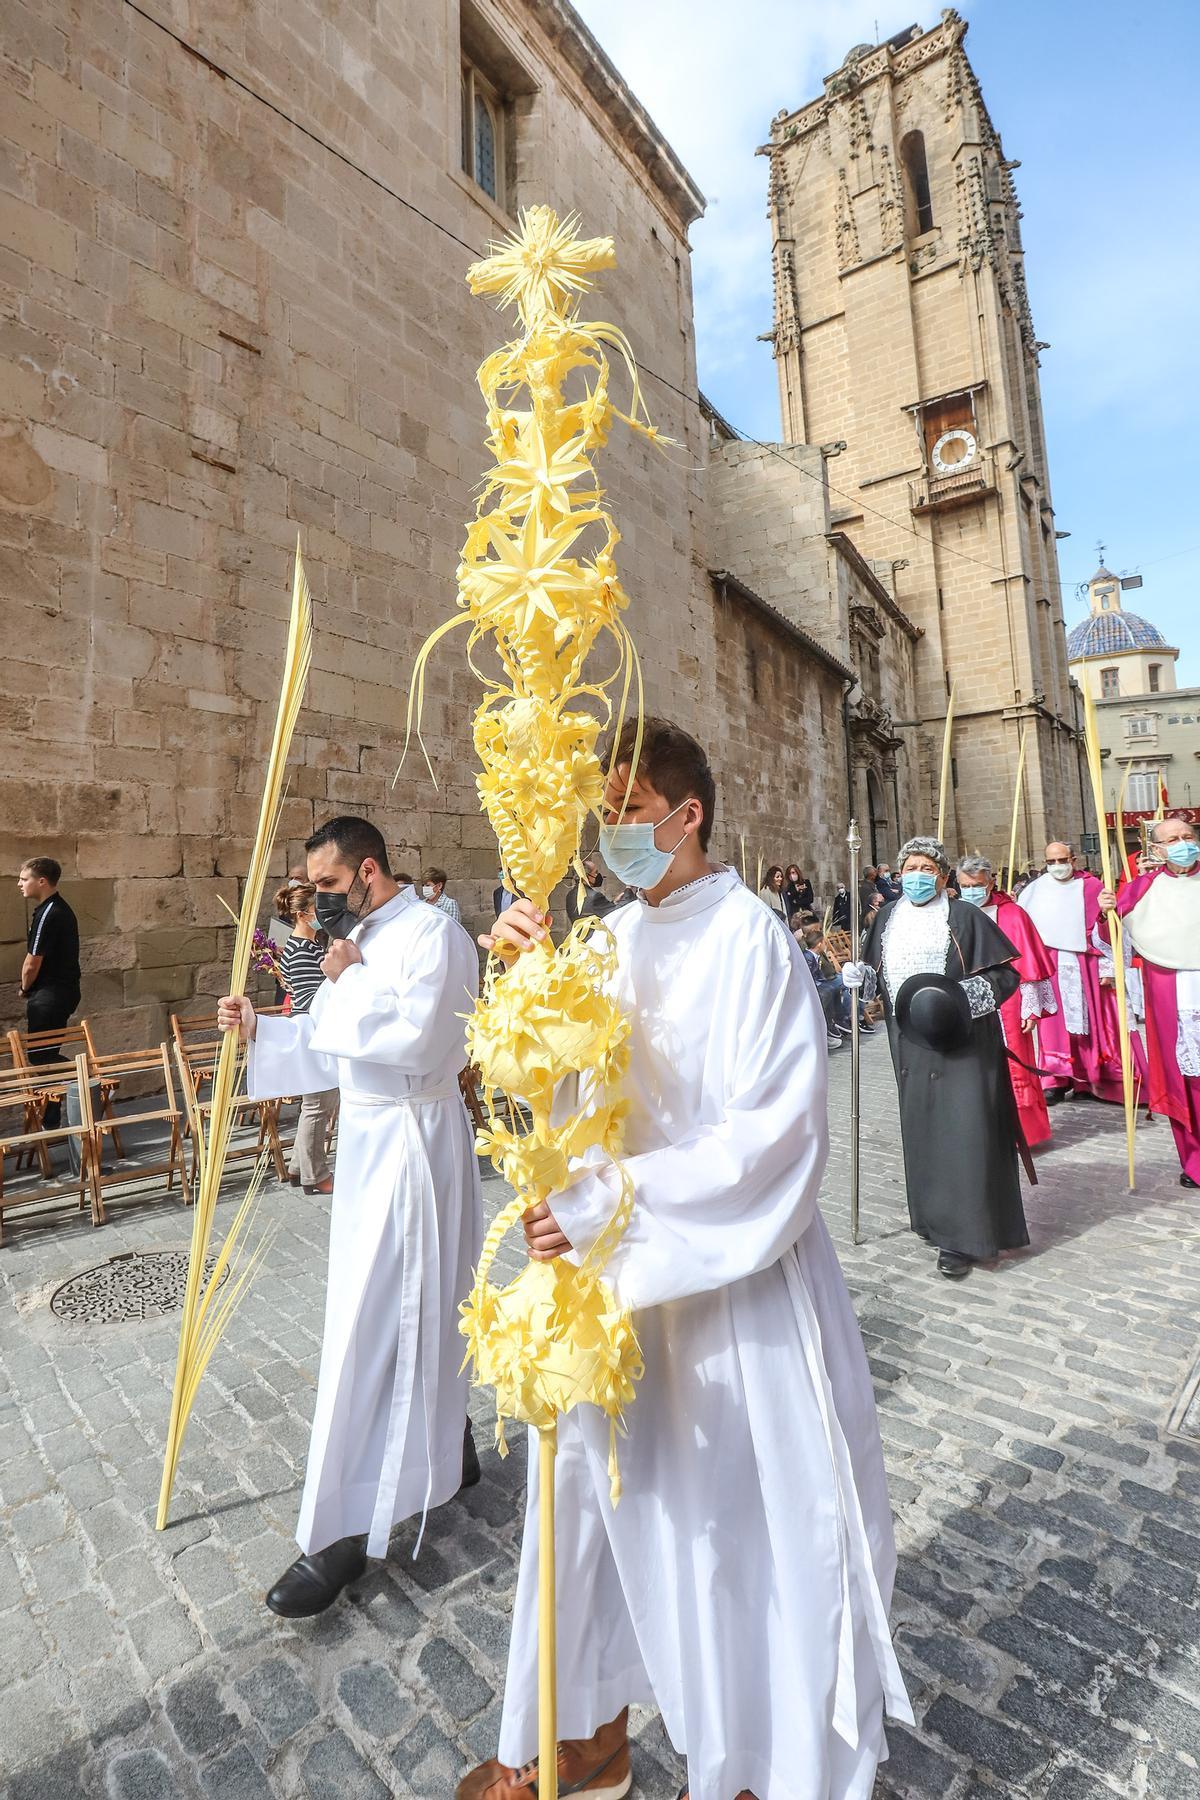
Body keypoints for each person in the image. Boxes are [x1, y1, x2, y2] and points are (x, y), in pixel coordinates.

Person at [457, 717, 911, 1800]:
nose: (606, 837)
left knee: (730, 1531)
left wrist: (617, 1198)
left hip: (725, 1288)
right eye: (603, 818)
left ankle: (755, 1764)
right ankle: (582, 1735)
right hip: (608, 1290)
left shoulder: (751, 937)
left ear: (685, 813)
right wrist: (519, 988)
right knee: (584, 1508)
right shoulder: (602, 942)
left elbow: (774, 1137)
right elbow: (552, 1100)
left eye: (623, 814)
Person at [217, 817, 483, 1618]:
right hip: (370, 1142)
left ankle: (339, 1532)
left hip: (415, 1141)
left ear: (369, 870)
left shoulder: (435, 936)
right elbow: (331, 1045)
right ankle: (452, 1444)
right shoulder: (358, 943)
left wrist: (351, 976)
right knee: (389, 1317)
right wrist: (263, 1028)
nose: (320, 903)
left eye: (329, 887)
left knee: (379, 1324)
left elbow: (416, 1038)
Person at [852, 836, 1028, 1279]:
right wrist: (861, 979)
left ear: (944, 877)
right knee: (925, 1131)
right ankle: (934, 1220)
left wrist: (961, 1000)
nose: (918, 876)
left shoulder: (964, 916)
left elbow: (1006, 976)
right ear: (898, 873)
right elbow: (880, 979)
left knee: (965, 1130)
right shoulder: (887, 917)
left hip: (963, 1041)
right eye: (910, 867)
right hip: (908, 1041)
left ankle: (965, 1238)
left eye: (928, 869)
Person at [1099, 817, 1200, 1187]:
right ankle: (1196, 1162)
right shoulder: (1143, 887)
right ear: (1157, 850)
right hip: (1168, 991)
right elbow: (1108, 935)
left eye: (1188, 836)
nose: (1183, 843)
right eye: (1172, 839)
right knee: (1183, 1078)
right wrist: (1105, 908)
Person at [956, 856, 1058, 1150]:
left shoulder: (1012, 914)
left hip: (1009, 1000)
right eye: (965, 886)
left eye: (976, 885)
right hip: (968, 999)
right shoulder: (955, 913)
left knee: (1015, 1062)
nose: (971, 890)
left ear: (990, 883)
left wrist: (1030, 1005)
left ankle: (1022, 1132)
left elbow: (1028, 961)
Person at [1017, 842, 1126, 1105]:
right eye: (1051, 861)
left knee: (1089, 1023)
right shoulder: (1035, 889)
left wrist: (1105, 913)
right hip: (1049, 964)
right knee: (1052, 1026)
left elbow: (1108, 929)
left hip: (1084, 963)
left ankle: (1090, 1079)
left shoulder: (1091, 887)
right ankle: (1055, 1080)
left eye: (1062, 860)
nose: (1057, 866)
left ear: (1073, 860)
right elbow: (1023, 928)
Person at [274, 880, 339, 1195]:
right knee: (318, 1105)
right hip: (314, 1031)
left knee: (316, 1105)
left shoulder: (308, 945)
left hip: (314, 1030)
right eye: (317, 909)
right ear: (302, 914)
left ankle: (300, 1167)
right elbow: (317, 996)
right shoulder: (301, 949)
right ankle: (316, 1174)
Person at [18, 856, 81, 1129]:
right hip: (57, 993)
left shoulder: (49, 912)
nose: (19, 884)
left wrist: (24, 987)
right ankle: (50, 1119)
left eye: (24, 879)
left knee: (40, 1056)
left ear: (41, 881)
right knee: (47, 1055)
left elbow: (33, 961)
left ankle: (86, 1080)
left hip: (50, 995)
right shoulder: (53, 909)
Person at [565, 855, 614, 924]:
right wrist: (628, 893)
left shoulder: (570, 894)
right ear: (587, 876)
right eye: (595, 872)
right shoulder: (595, 896)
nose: (598, 875)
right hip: (596, 934)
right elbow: (614, 912)